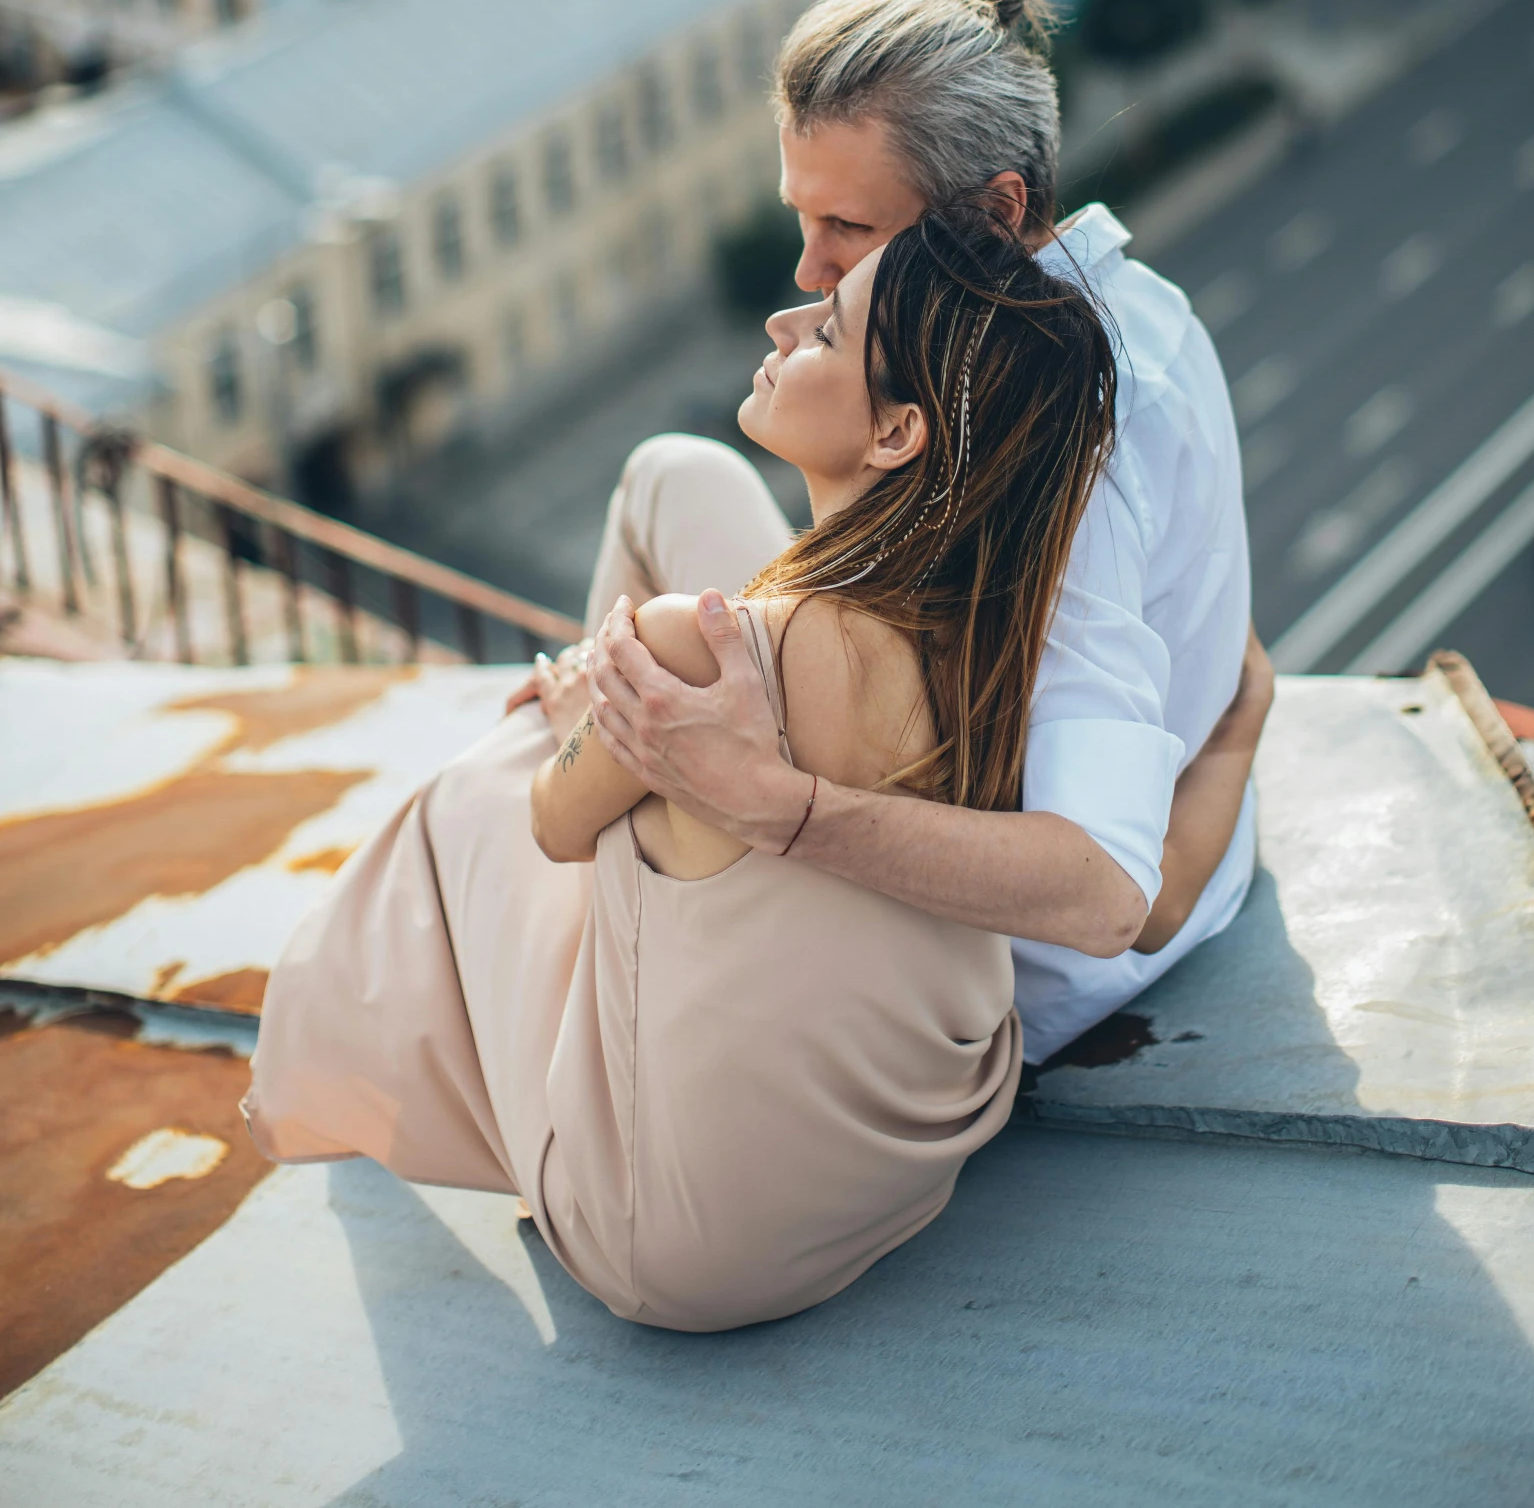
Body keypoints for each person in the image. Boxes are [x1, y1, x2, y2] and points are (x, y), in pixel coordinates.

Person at [245, 205, 1187, 1328]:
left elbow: (553, 826)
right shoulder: (1004, 633)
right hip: (912, 1153)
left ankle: (303, 1091)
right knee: (672, 474)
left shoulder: (706, 644)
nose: (786, 320)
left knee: (472, 796)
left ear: (894, 436)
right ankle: (645, 795)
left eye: (828, 331)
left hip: (678, 1245)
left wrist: (589, 703)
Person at [581, 0, 1269, 1071]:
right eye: (801, 218)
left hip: (995, 979)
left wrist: (771, 800)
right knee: (671, 491)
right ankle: (581, 714)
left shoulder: (1057, 440)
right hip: (1176, 865)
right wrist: (1232, 740)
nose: (808, 272)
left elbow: (1105, 890)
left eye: (847, 229)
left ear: (995, 209)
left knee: (589, 797)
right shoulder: (1138, 305)